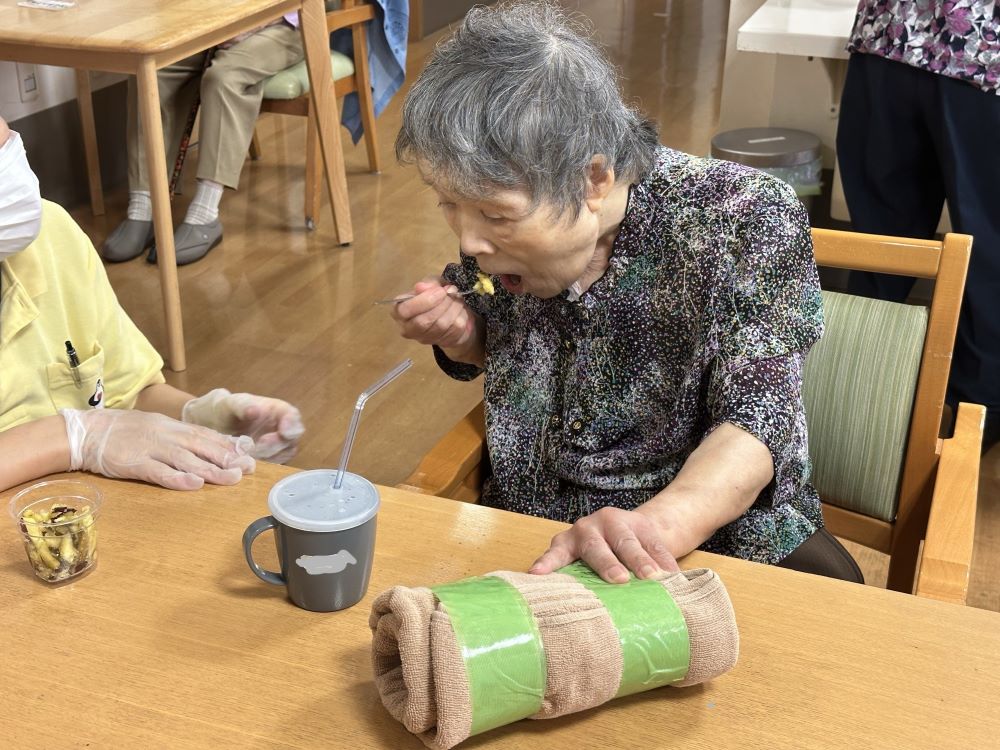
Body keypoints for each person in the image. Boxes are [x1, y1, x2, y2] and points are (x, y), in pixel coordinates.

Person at [390, 1, 863, 585]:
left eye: (494, 212)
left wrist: (649, 532)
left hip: (696, 546)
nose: (467, 240)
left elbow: (758, 422)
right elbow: (501, 341)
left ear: (594, 179)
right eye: (447, 202)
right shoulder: (498, 247)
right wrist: (464, 336)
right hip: (528, 533)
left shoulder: (744, 218)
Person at [0, 115, 304, 493]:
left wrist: (198, 420)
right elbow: (97, 432)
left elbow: (127, 393)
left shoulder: (51, 234)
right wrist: (75, 438)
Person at [837, 0, 1000, 452]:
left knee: (980, 259)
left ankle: (959, 434)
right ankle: (851, 407)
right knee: (880, 250)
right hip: (901, 39)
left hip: (920, 42)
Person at [101, 14, 304, 265]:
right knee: (151, 70)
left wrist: (254, 21)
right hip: (212, 21)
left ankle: (205, 213)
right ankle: (144, 205)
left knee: (224, 78)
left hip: (283, 25)